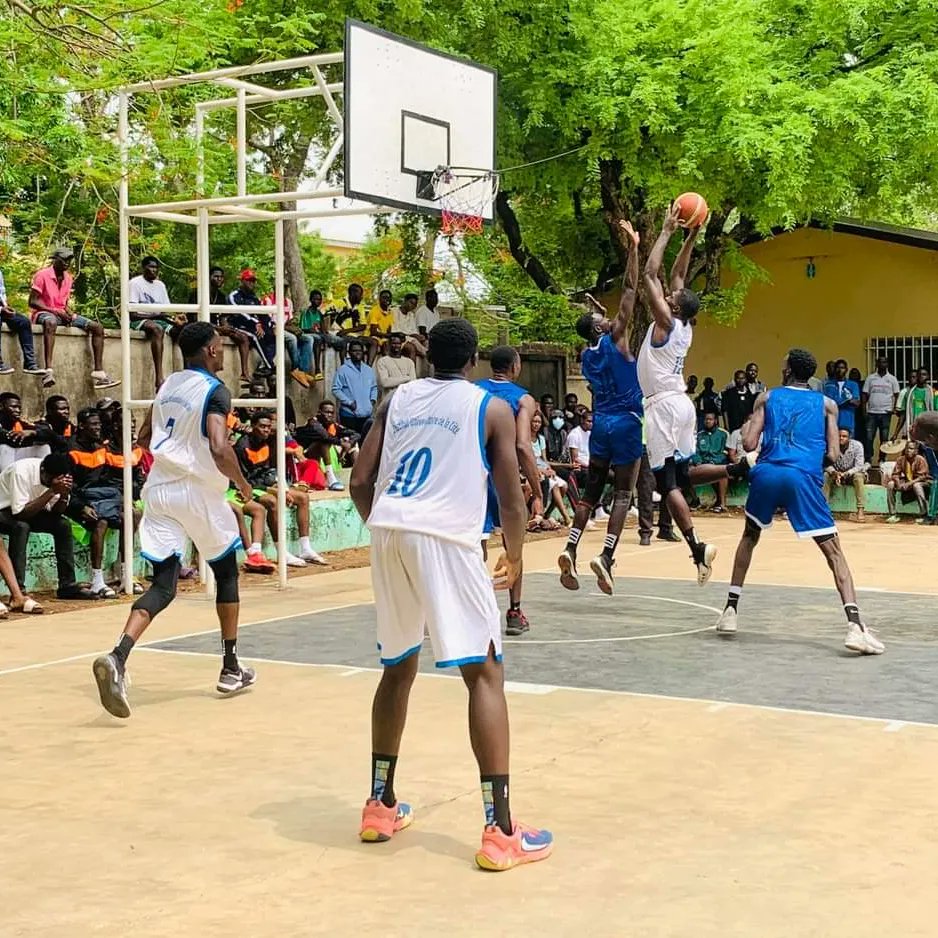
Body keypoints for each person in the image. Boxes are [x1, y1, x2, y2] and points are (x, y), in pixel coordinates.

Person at [349, 316, 552, 871]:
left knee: (398, 667)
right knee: (485, 673)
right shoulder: (490, 408)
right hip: (446, 537)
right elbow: (511, 499)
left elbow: (360, 482)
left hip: (390, 531)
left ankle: (379, 804)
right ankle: (501, 830)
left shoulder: (397, 400)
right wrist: (514, 553)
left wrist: (388, 528)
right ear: (474, 360)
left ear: (425, 354)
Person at [92, 322, 259, 719]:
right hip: (197, 492)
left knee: (163, 584)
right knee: (226, 572)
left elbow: (147, 434)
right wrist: (243, 483)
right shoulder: (215, 391)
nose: (221, 352)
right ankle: (230, 667)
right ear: (211, 351)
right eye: (219, 347)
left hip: (160, 488)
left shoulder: (167, 385)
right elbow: (219, 448)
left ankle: (118, 656)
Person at [714, 348, 884, 655]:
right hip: (802, 476)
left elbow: (749, 443)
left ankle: (730, 611)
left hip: (766, 474)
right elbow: (832, 455)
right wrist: (805, 465)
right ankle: (855, 627)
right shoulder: (828, 404)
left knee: (749, 538)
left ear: (789, 370)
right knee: (834, 553)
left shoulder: (766, 398)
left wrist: (752, 429)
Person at [638, 204, 748, 585]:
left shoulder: (666, 322)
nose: (668, 293)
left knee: (666, 483)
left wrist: (668, 230)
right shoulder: (685, 324)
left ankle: (697, 547)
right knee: (684, 472)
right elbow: (678, 273)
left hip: (663, 407)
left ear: (674, 306)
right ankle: (736, 468)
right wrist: (692, 235)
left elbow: (650, 274)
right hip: (681, 404)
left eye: (671, 295)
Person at [557, 219, 644, 595]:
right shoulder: (617, 339)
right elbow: (629, 289)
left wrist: (593, 314)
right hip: (626, 422)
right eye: (601, 319)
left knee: (591, 494)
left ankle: (571, 547)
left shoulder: (587, 355)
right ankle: (606, 556)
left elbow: (600, 323)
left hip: (601, 425)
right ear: (599, 328)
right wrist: (635, 248)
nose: (608, 318)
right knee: (624, 494)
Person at [478, 346, 544, 635]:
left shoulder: (472, 391)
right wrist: (537, 490)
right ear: (516, 366)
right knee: (513, 545)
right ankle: (514, 612)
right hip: (502, 476)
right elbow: (521, 445)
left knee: (474, 547)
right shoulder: (524, 399)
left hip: (472, 474)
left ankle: (473, 611)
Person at [0, 452, 98, 600]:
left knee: (63, 525)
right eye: (49, 481)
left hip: (32, 509)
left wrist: (64, 495)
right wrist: (52, 491)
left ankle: (67, 585)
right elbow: (19, 513)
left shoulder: (57, 476)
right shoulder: (20, 472)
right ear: (43, 471)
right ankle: (19, 590)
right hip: (5, 510)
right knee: (21, 527)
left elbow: (56, 512)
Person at [234, 411, 327, 566]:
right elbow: (246, 480)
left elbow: (273, 469)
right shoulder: (242, 446)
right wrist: (274, 490)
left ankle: (305, 548)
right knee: (272, 501)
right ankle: (281, 551)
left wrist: (280, 487)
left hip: (267, 483)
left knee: (303, 498)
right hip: (250, 486)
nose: (265, 430)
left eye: (268, 427)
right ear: (252, 426)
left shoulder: (271, 441)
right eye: (262, 426)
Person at [28, 247, 119, 390]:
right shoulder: (42, 275)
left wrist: (71, 314)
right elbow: (33, 301)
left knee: (97, 327)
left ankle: (99, 373)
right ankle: (49, 371)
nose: (67, 263)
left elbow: (64, 304)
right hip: (44, 313)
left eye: (69, 260)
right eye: (64, 260)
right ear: (55, 259)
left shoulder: (68, 278)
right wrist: (56, 311)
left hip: (60, 313)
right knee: (50, 322)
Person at [188, 266, 255, 387]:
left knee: (243, 337)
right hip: (201, 327)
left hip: (216, 327)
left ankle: (245, 372)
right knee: (213, 340)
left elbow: (223, 317)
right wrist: (219, 329)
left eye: (221, 277)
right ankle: (212, 372)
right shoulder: (197, 294)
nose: (219, 279)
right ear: (208, 278)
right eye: (216, 276)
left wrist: (228, 328)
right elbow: (195, 320)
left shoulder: (221, 296)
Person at [129, 256, 185, 390]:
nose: (154, 270)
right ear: (143, 268)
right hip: (140, 319)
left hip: (159, 318)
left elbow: (165, 311)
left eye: (156, 268)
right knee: (157, 329)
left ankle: (186, 373)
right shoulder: (135, 283)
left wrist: (175, 319)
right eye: (151, 267)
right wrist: (156, 314)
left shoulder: (160, 285)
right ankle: (159, 377)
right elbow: (132, 313)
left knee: (183, 331)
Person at [0, 265, 47, 378]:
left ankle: (29, 364)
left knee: (24, 322)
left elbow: (2, 292)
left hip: (2, 309)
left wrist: (6, 307)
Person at [228, 269, 274, 373]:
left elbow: (263, 314)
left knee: (272, 335)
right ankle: (270, 366)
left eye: (253, 281)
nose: (251, 283)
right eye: (249, 280)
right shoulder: (234, 295)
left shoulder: (254, 297)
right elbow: (238, 312)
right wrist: (255, 323)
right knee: (255, 336)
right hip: (237, 326)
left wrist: (270, 324)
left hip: (254, 326)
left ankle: (265, 364)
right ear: (242, 281)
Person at [530, 411, 571, 526]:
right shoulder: (525, 439)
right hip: (533, 468)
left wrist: (549, 469)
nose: (536, 424)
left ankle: (547, 513)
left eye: (538, 422)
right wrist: (542, 470)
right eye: (534, 421)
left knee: (564, 486)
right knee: (554, 485)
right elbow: (528, 460)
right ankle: (566, 518)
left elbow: (544, 459)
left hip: (542, 466)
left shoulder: (541, 438)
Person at [822, 428, 868, 523]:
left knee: (858, 476)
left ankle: (860, 510)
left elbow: (859, 466)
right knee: (826, 475)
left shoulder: (857, 446)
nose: (841, 438)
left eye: (844, 436)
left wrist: (846, 473)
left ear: (849, 438)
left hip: (852, 474)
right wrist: (834, 472)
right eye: (839, 436)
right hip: (837, 474)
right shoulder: (831, 446)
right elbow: (825, 464)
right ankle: (824, 510)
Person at [332, 339, 377, 435]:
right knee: (351, 442)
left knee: (365, 443)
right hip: (349, 414)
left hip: (366, 414)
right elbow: (336, 389)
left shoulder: (368, 370)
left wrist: (372, 401)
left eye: (359, 351)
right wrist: (349, 403)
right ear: (349, 353)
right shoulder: (343, 370)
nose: (357, 353)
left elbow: (374, 387)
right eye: (354, 350)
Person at [861, 357, 899, 462]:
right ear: (877, 364)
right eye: (880, 362)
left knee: (884, 439)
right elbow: (864, 395)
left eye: (885, 362)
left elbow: (897, 394)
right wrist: (864, 410)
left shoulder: (892, 379)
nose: (883, 364)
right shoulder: (870, 378)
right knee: (869, 438)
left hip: (886, 413)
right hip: (872, 413)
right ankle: (868, 459)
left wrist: (894, 408)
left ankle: (882, 459)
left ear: (887, 364)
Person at [884, 440, 930, 523]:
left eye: (911, 448)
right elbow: (895, 474)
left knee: (917, 485)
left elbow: (923, 476)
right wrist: (898, 484)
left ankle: (924, 515)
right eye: (907, 448)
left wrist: (910, 483)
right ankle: (892, 514)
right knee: (891, 484)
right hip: (907, 480)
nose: (908, 450)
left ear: (916, 450)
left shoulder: (920, 459)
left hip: (921, 482)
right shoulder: (901, 459)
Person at [692, 412, 730, 513]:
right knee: (687, 471)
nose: (708, 421)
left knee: (723, 474)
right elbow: (695, 451)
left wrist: (715, 461)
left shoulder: (723, 434)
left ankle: (722, 504)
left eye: (710, 419)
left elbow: (725, 452)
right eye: (706, 419)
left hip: (717, 464)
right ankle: (695, 501)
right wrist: (698, 461)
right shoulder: (700, 435)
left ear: (715, 421)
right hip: (702, 464)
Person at [894, 367, 937, 440]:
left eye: (924, 374)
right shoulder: (909, 393)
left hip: (928, 431)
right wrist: (896, 433)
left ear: (928, 376)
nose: (921, 376)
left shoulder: (934, 393)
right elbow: (903, 414)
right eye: (919, 374)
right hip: (912, 429)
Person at [374, 332, 416, 403]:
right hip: (389, 401)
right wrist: (407, 378)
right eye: (394, 343)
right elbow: (385, 382)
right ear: (389, 345)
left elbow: (413, 383)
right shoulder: (382, 361)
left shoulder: (409, 362)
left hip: (405, 401)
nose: (396, 346)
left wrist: (393, 380)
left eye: (398, 344)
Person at [822, 359, 861, 434]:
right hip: (832, 422)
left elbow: (856, 403)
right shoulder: (828, 385)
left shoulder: (853, 385)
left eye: (842, 368)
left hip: (848, 422)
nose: (840, 370)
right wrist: (848, 401)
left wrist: (838, 403)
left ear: (846, 370)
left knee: (849, 444)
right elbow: (827, 404)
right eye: (838, 367)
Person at [367, 289, 396, 365]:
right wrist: (388, 335)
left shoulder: (390, 312)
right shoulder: (375, 311)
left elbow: (389, 329)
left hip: (382, 337)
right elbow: (373, 332)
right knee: (378, 343)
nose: (387, 299)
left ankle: (389, 368)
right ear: (379, 299)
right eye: (384, 297)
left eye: (389, 298)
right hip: (372, 336)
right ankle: (368, 367)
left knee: (390, 343)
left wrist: (390, 336)